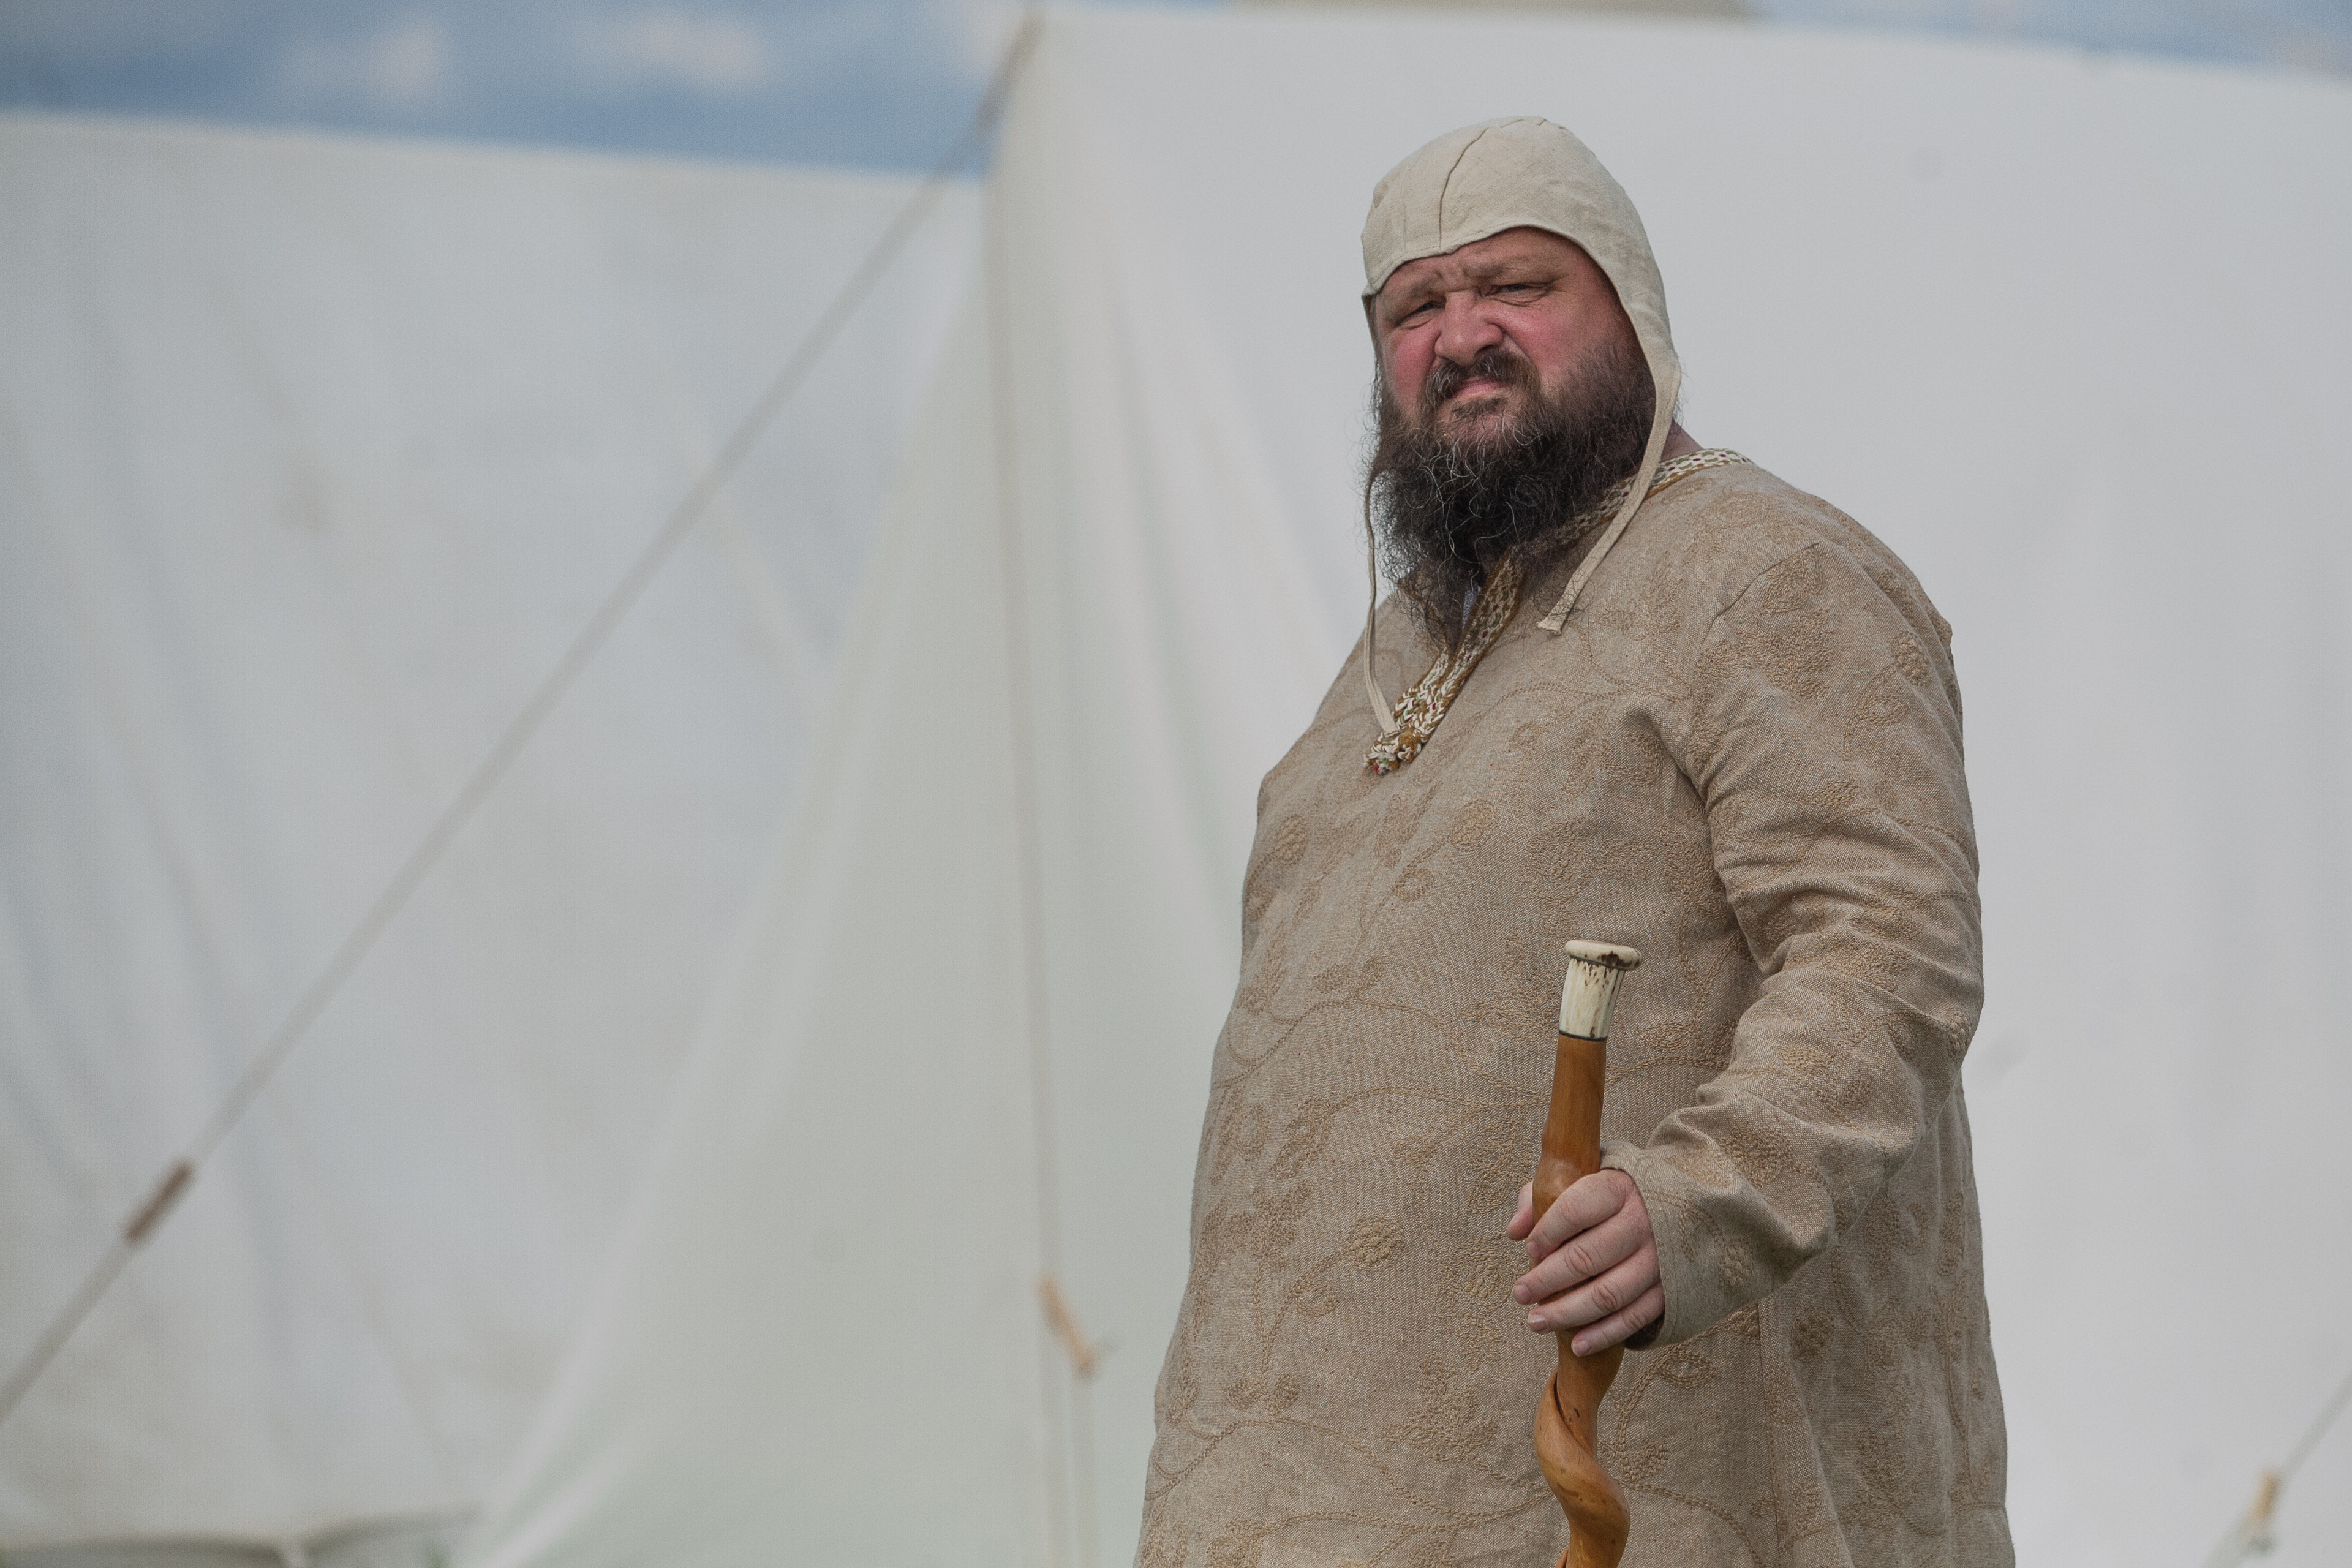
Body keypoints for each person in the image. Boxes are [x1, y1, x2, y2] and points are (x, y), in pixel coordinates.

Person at [1137, 118, 2011, 1568]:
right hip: (1292, 1492)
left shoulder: (1768, 569)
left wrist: (1702, 1202)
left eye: (1517, 285)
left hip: (1636, 1481)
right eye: (1414, 307)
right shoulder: (1395, 654)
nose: (1460, 335)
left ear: (1633, 308)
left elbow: (1887, 947)